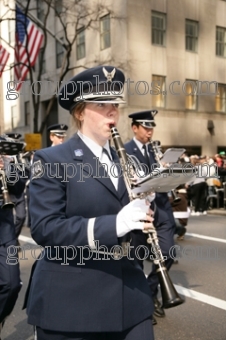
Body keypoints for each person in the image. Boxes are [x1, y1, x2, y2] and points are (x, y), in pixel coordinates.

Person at [25, 66, 155, 340]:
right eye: (101, 104)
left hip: (130, 296)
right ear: (80, 111)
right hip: (73, 301)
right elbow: (45, 228)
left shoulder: (127, 161)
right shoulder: (51, 160)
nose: (112, 112)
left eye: (115, 105)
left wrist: (144, 214)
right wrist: (115, 224)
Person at [124, 110, 181, 324]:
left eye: (151, 127)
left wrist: (168, 171)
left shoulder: (155, 150)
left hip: (161, 207)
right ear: (135, 128)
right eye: (146, 127)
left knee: (168, 251)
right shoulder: (124, 151)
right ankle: (141, 303)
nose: (150, 132)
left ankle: (150, 289)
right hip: (139, 208)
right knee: (136, 258)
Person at [0, 137, 24, 337]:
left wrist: (9, 165)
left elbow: (17, 189)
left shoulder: (3, 146)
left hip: (4, 229)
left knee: (12, 283)